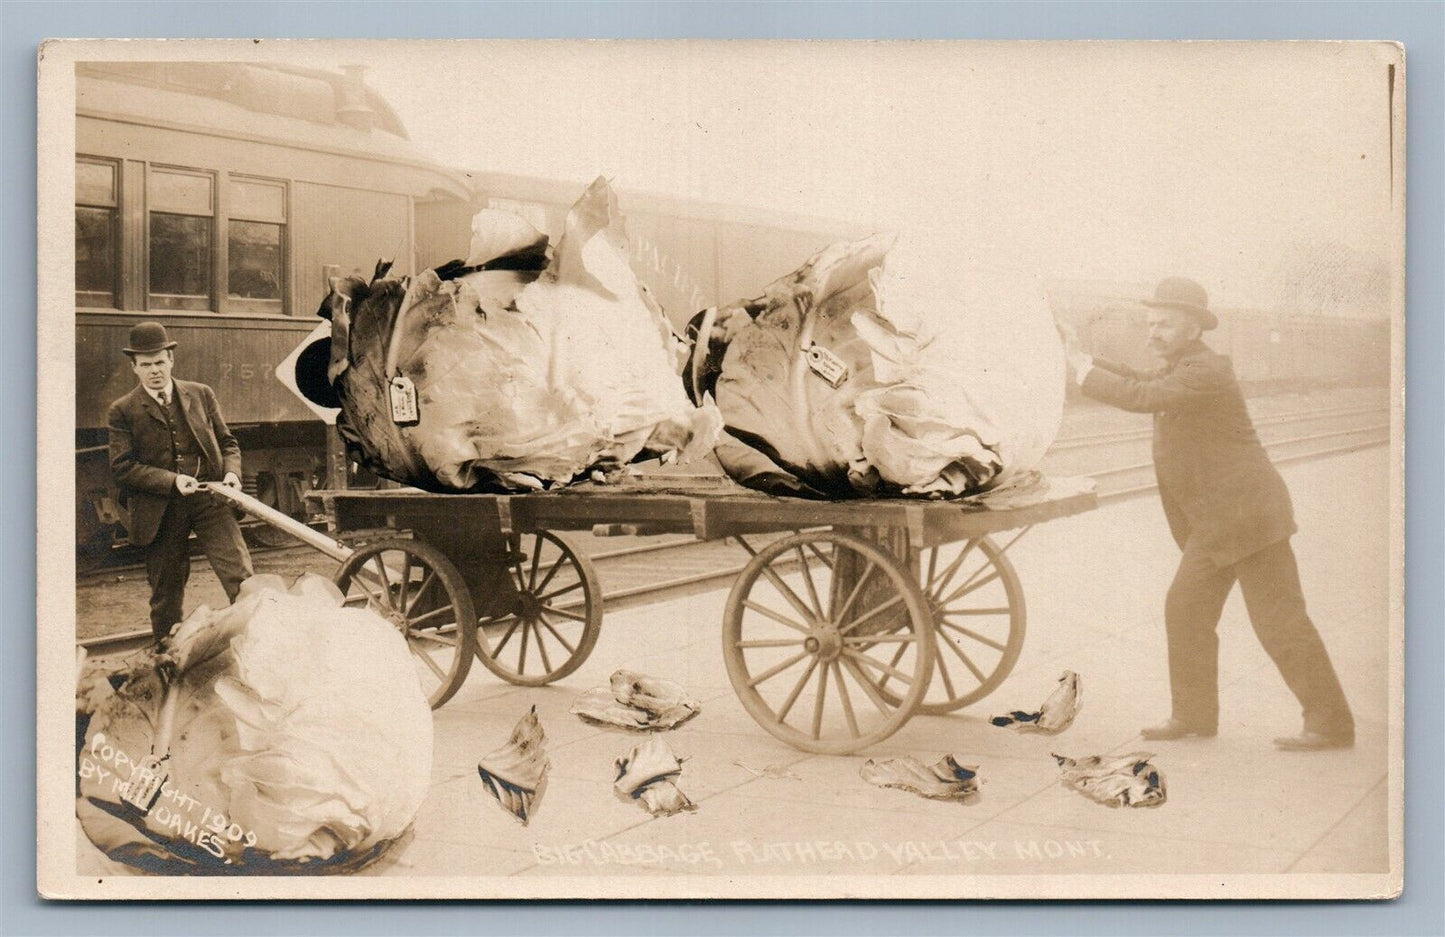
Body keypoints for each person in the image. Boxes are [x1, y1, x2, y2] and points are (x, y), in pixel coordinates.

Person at [1059, 277, 1354, 750]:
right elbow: (1140, 380)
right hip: (1217, 525)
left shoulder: (1206, 371)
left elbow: (1142, 396)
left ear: (1193, 327)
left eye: (1165, 325)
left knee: (1279, 620)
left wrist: (1080, 372)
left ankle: (1330, 723)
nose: (1153, 333)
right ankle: (1194, 716)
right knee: (1186, 611)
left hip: (1249, 520)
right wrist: (1081, 358)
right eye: (1150, 324)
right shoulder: (1183, 366)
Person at [107, 322, 254, 643]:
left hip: (210, 499)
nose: (154, 371)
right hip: (162, 509)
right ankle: (166, 664)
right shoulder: (123, 410)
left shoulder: (201, 394)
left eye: (159, 362)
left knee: (242, 581)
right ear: (134, 368)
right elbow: (123, 467)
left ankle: (258, 649)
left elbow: (228, 443)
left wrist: (231, 474)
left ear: (171, 359)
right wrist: (173, 481)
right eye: (146, 365)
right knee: (166, 597)